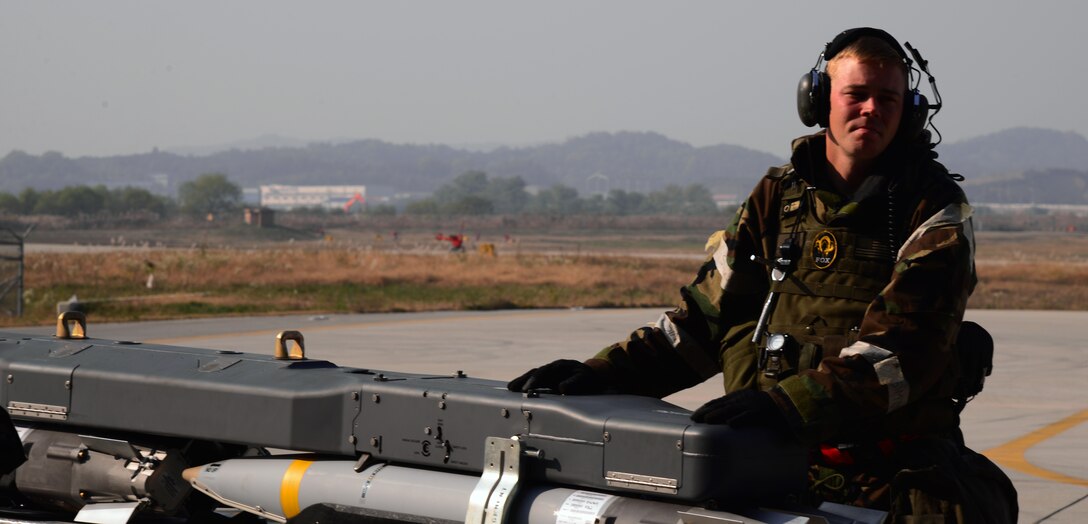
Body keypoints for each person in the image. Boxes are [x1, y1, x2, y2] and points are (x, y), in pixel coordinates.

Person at [508, 28, 1017, 522]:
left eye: (888, 98)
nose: (871, 110)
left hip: (880, 479)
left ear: (909, 111)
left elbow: (902, 355)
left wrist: (781, 407)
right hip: (768, 469)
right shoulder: (778, 197)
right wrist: (601, 374)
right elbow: (702, 324)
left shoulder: (934, 210)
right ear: (818, 103)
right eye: (856, 94)